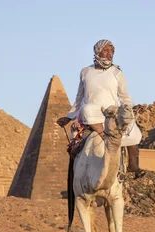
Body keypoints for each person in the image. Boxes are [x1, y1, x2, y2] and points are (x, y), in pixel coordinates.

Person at [57, 39, 144, 177]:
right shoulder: (86, 72)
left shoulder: (117, 73)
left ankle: (133, 165)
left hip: (111, 113)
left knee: (133, 132)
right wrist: (69, 117)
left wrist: (130, 108)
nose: (110, 54)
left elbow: (124, 97)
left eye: (112, 51)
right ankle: (103, 136)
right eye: (106, 50)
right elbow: (79, 99)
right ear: (98, 51)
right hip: (91, 114)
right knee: (87, 109)